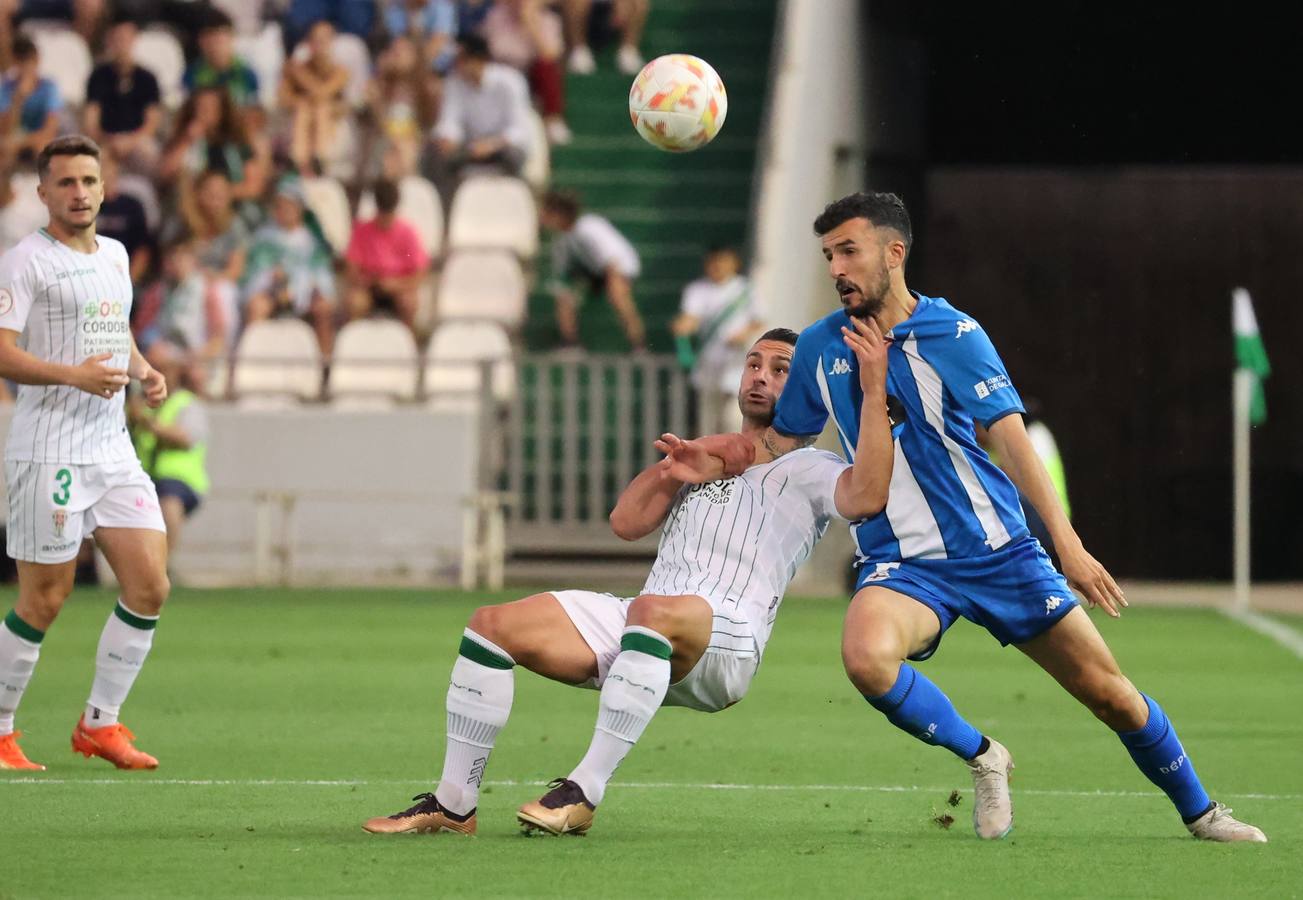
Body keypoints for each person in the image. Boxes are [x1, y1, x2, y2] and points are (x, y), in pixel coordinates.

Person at [752, 191, 1265, 843]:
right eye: (827, 255)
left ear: (893, 252)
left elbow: (1013, 441)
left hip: (998, 552)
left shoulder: (953, 334)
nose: (835, 268)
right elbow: (778, 440)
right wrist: (704, 458)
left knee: (1108, 693)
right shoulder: (822, 346)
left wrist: (1067, 546)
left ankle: (1201, 812)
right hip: (903, 564)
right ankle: (983, 755)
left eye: (848, 250)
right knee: (865, 658)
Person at [361, 323, 895, 836]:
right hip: (648, 621)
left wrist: (872, 392)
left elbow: (868, 497)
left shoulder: (817, 469)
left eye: (780, 369)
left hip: (729, 640)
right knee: (491, 626)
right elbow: (626, 523)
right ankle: (454, 805)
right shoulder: (705, 455)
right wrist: (674, 468)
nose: (760, 375)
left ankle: (583, 790)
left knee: (652, 611)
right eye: (753, 363)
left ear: (806, 387)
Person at [0, 135, 170, 772]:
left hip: (111, 447)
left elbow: (113, 327)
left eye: (88, 182)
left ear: (105, 188)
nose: (79, 193)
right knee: (44, 598)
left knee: (150, 585)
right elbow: (2, 349)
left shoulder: (117, 255)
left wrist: (144, 369)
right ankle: (1, 729)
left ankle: (100, 723)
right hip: (50, 449)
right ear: (42, 192)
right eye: (65, 183)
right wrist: (73, 375)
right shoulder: (24, 261)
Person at [672, 245, 763, 436]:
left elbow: (758, 320)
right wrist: (683, 327)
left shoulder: (745, 289)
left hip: (737, 362)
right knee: (706, 420)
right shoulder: (697, 289)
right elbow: (691, 318)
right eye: (713, 262)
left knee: (732, 417)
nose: (718, 266)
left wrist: (742, 334)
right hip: (708, 362)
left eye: (723, 261)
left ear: (734, 263)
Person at [129, 344, 209, 560]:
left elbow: (185, 438)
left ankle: (161, 564)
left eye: (164, 368)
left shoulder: (187, 404)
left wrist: (146, 422)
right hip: (143, 477)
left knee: (169, 502)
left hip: (180, 480)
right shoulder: (139, 405)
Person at [427, 34, 531, 200]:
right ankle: (446, 210)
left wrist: (493, 144)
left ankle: (514, 202)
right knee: (435, 154)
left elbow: (519, 129)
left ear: (479, 59)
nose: (458, 65)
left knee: (514, 155)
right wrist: (448, 137)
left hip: (502, 148)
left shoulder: (511, 82)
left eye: (463, 59)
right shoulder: (454, 83)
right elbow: (450, 120)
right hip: (469, 148)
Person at [242, 176, 337, 355]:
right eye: (280, 205)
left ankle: (325, 367)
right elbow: (253, 274)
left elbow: (322, 273)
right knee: (257, 307)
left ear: (300, 208)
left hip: (305, 295)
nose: (285, 210)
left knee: (323, 308)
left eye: (290, 205)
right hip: (271, 293)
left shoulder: (312, 241)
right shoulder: (263, 239)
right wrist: (270, 278)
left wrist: (311, 287)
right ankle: (252, 362)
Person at [539, 190, 645, 351]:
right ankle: (570, 343)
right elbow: (563, 275)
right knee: (563, 295)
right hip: (592, 272)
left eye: (547, 213)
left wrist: (613, 286)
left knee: (617, 294)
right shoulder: (560, 242)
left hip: (621, 266)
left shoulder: (589, 226)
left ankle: (639, 345)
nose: (542, 218)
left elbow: (613, 262)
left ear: (559, 214)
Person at [344, 178, 429, 327]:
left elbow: (420, 273)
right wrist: (370, 281)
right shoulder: (361, 231)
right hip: (369, 289)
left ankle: (408, 344)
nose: (385, 219)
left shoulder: (408, 233)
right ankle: (355, 343)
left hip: (399, 288)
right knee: (355, 302)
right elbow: (352, 269)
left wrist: (396, 285)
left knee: (408, 303)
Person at [83, 17, 163, 174]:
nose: (121, 44)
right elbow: (91, 120)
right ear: (110, 41)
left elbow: (152, 123)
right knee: (91, 162)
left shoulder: (147, 78)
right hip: (106, 141)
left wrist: (129, 141)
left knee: (154, 158)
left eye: (125, 38)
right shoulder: (98, 76)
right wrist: (109, 141)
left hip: (137, 140)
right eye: (117, 38)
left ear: (134, 40)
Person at [278, 19, 351, 173]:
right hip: (301, 122)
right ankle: (300, 160)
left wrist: (300, 75)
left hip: (331, 124)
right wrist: (301, 101)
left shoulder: (340, 71)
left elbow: (325, 93)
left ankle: (318, 159)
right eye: (316, 39)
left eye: (324, 39)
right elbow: (283, 99)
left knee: (321, 108)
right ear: (309, 42)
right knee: (305, 108)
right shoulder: (298, 68)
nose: (320, 44)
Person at [0, 35, 61, 170]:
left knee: (42, 148)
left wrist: (22, 142)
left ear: (37, 60)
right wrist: (17, 101)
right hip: (14, 142)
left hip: (35, 141)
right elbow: (5, 131)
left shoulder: (49, 88)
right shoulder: (6, 88)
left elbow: (49, 130)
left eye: (29, 61)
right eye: (21, 62)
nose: (26, 67)